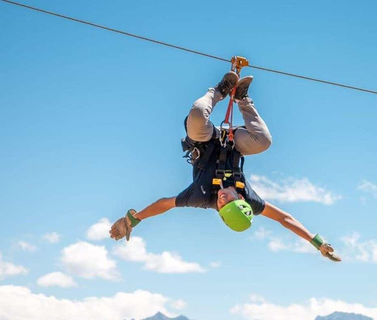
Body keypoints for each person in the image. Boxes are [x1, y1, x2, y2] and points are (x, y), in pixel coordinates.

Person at [109, 72, 340, 262]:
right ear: (240, 196)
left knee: (198, 115)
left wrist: (133, 219)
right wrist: (316, 242)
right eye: (229, 199)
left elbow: (165, 204)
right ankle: (241, 98)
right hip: (232, 142)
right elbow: (284, 218)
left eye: (221, 205)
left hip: (203, 138)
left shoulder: (201, 197)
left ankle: (218, 91)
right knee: (265, 141)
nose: (222, 199)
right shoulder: (251, 199)